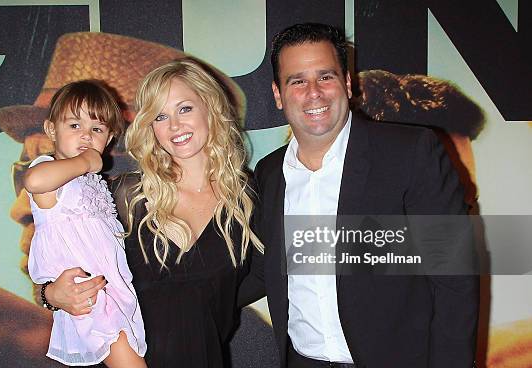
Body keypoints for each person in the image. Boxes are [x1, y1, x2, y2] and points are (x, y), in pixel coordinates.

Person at [238, 23, 479, 367]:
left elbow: (454, 274)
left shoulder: (409, 153)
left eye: (325, 76)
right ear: (278, 94)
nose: (314, 92)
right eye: (297, 81)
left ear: (347, 83)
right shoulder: (269, 172)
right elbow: (264, 270)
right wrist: (192, 300)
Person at [44, 58, 263, 367]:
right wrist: (51, 294)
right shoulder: (124, 196)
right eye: (160, 116)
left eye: (185, 108)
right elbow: (65, 262)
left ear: (210, 108)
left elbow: (266, 275)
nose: (174, 126)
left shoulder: (246, 197)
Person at [24, 79, 146, 367]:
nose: (86, 136)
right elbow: (34, 181)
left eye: (97, 129)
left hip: (111, 288)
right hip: (89, 292)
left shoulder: (94, 183)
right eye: (74, 126)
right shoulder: (50, 171)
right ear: (51, 129)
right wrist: (85, 162)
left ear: (111, 138)